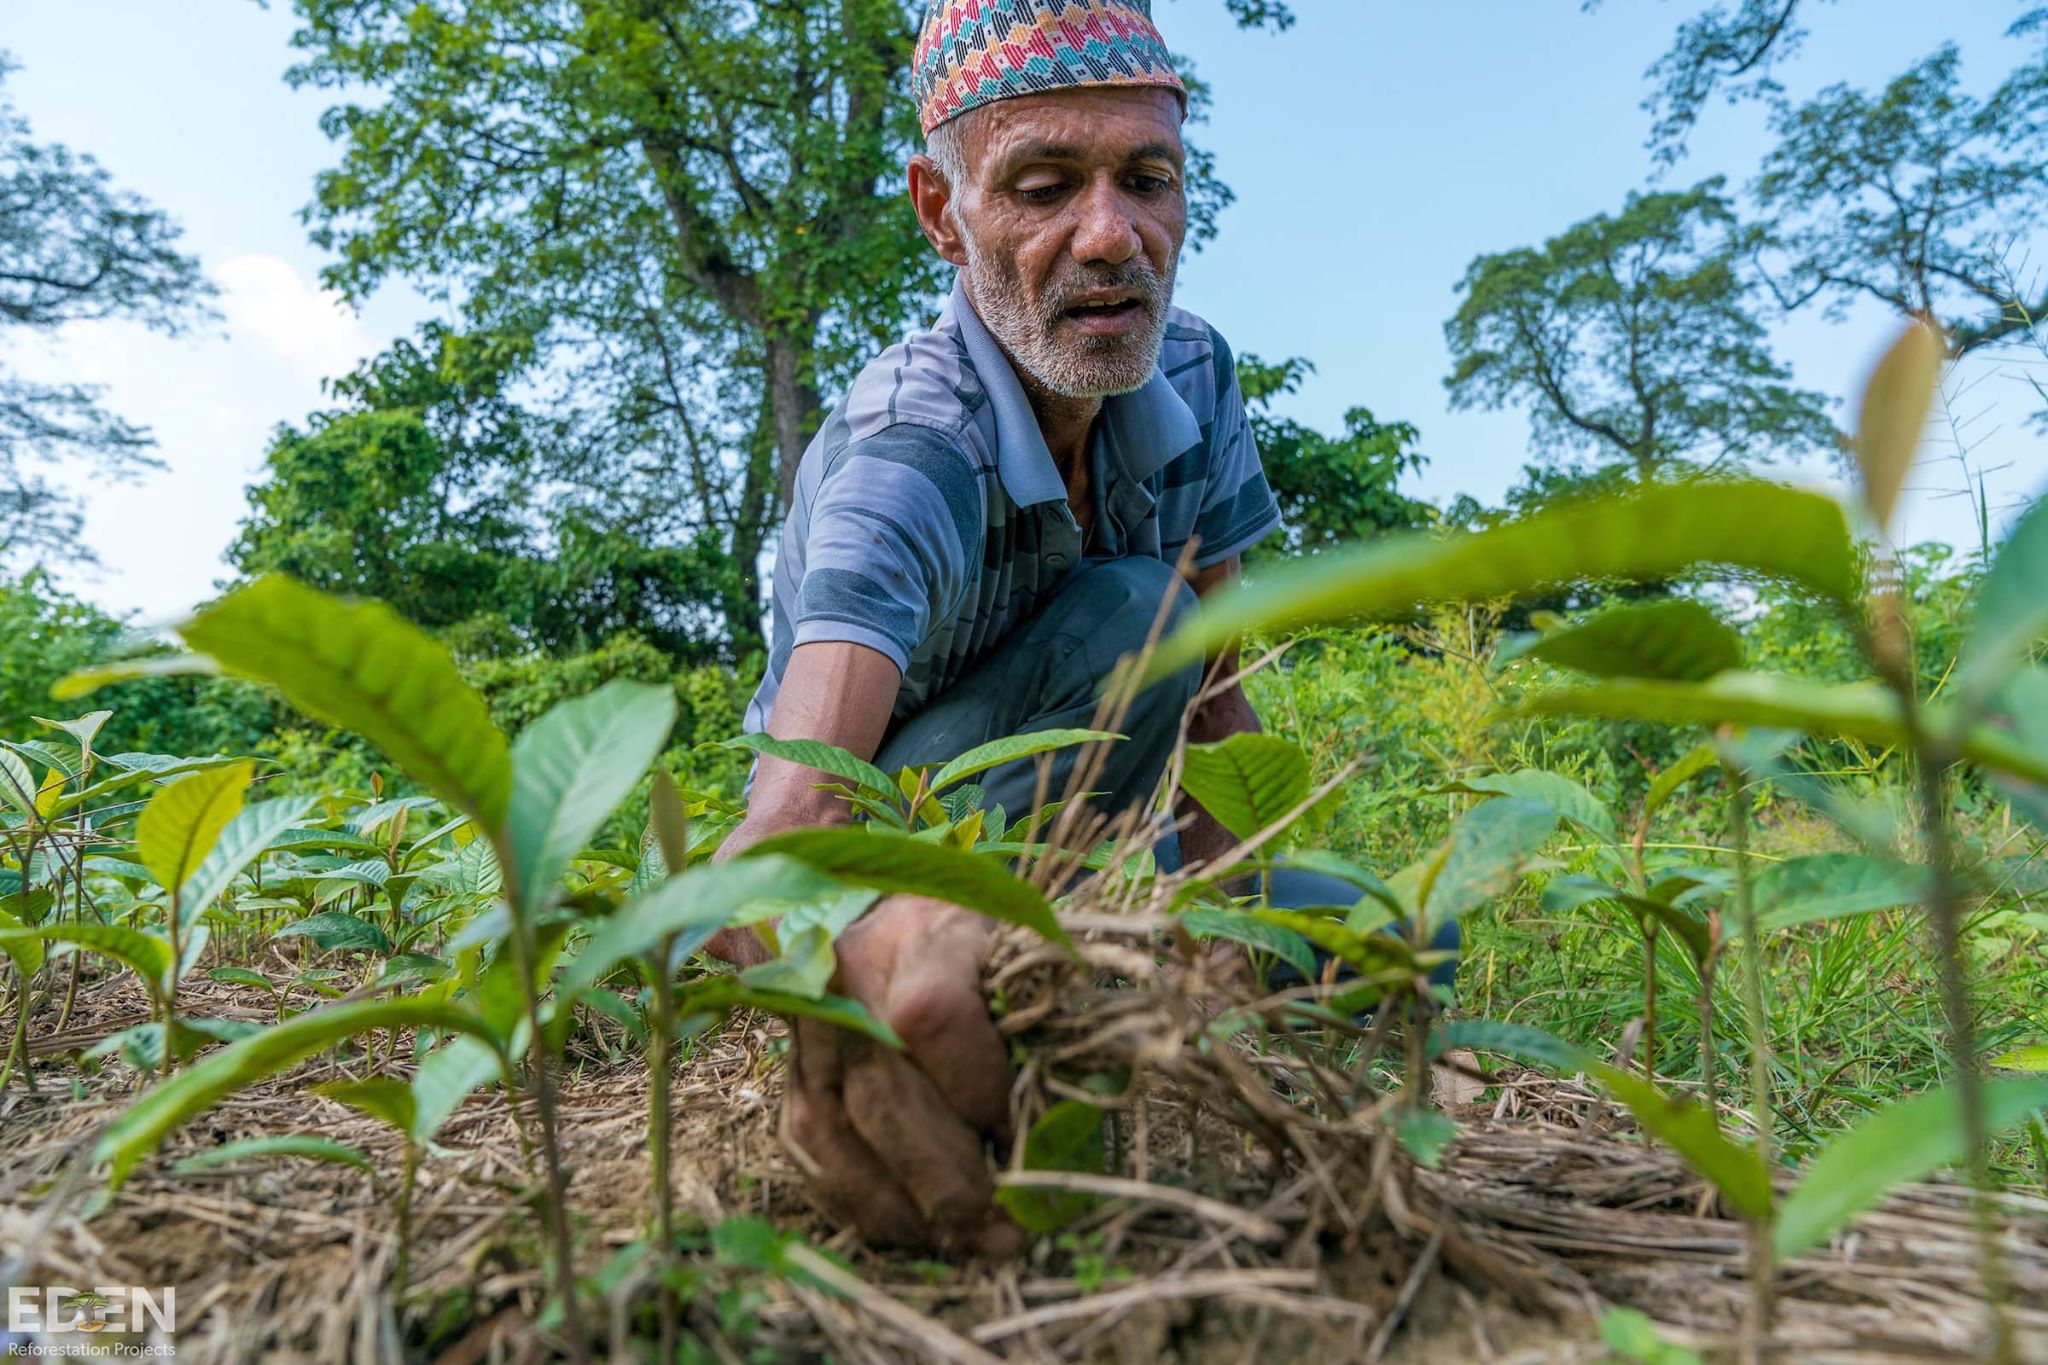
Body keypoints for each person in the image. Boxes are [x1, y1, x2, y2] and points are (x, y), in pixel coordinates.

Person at [707, 0, 1454, 1256]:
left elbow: (1216, 689)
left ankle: (1125, 968)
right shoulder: (908, 456)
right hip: (913, 835)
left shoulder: (1198, 376)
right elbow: (784, 830)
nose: (1110, 240)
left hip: (1106, 848)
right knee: (1128, 615)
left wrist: (1227, 937)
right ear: (943, 214)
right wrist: (843, 945)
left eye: (1146, 182)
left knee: (1394, 945)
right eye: (1043, 186)